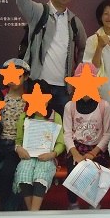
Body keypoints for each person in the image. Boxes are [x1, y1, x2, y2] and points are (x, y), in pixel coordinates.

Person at [15, 0, 87, 117]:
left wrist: (77, 75)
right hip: (38, 85)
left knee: (61, 127)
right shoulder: (39, 12)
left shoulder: (74, 21)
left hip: (63, 89)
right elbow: (23, 3)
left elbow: (83, 48)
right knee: (35, 126)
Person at [0, 58, 31, 211]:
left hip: (16, 146)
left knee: (7, 172)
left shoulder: (30, 99)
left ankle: (5, 207)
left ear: (25, 77)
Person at [63, 62, 110, 209]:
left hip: (97, 148)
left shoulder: (104, 106)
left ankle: (95, 202)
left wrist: (93, 153)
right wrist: (75, 154)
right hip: (76, 147)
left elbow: (107, 133)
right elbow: (67, 134)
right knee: (72, 171)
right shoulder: (70, 106)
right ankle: (73, 203)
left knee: (96, 171)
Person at [13, 79, 66, 211]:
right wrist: (18, 148)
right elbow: (18, 140)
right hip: (28, 156)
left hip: (47, 157)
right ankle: (32, 212)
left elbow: (61, 143)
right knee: (23, 173)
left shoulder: (55, 117)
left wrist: (52, 154)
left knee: (40, 176)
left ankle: (33, 212)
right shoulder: (24, 117)